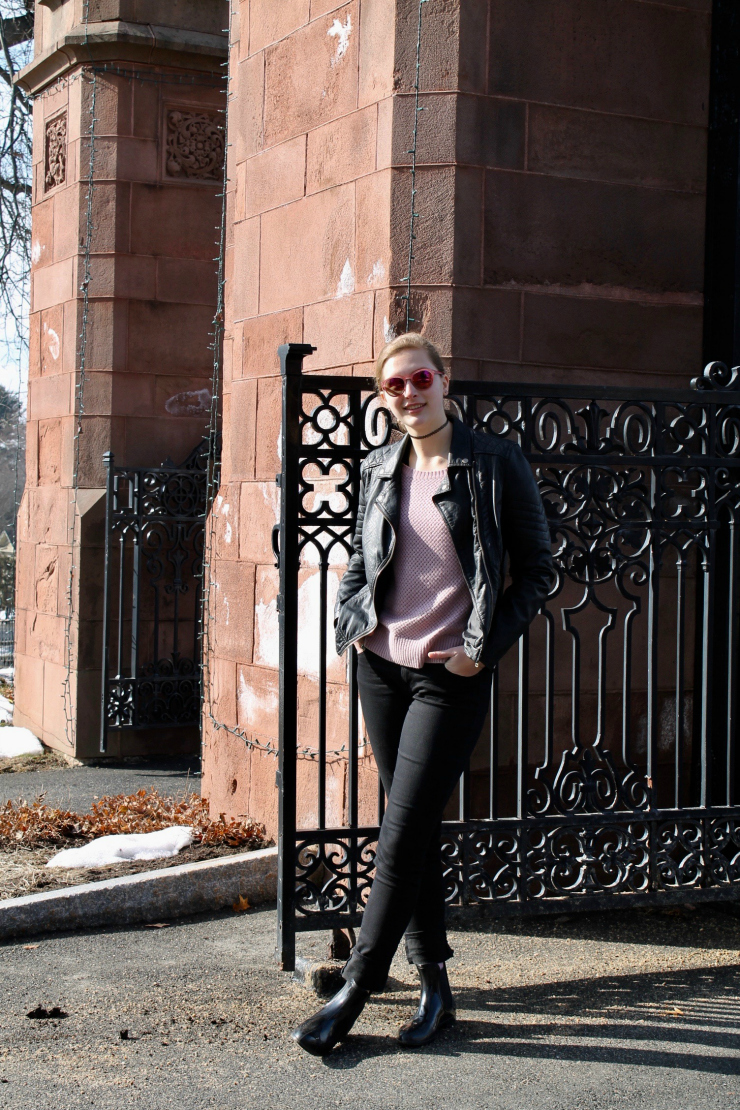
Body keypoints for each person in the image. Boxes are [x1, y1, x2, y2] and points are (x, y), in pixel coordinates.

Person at [291, 333, 554, 1056]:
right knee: (415, 831)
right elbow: (360, 558)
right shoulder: (381, 466)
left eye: (419, 378)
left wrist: (480, 651)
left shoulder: (494, 462)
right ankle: (436, 985)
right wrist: (353, 623)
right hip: (381, 666)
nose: (408, 393)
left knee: (402, 831)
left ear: (444, 380)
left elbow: (538, 571)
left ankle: (356, 988)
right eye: (393, 386)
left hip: (449, 677)